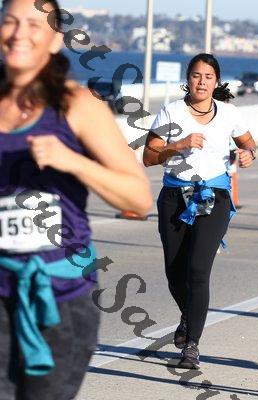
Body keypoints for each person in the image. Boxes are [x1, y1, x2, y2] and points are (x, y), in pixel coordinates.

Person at [0, 0, 152, 398]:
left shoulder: (77, 106)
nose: (19, 33)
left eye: (34, 25)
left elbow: (138, 198)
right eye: (10, 22)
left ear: (55, 40)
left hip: (61, 301)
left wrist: (72, 161)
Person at [143, 53, 256, 369]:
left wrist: (248, 154)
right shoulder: (172, 111)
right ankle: (189, 316)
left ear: (216, 81)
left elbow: (248, 143)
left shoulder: (229, 113)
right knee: (174, 273)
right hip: (174, 196)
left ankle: (191, 345)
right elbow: (148, 157)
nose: (202, 81)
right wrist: (177, 145)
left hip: (213, 197)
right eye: (196, 75)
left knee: (197, 269)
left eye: (208, 76)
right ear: (188, 79)